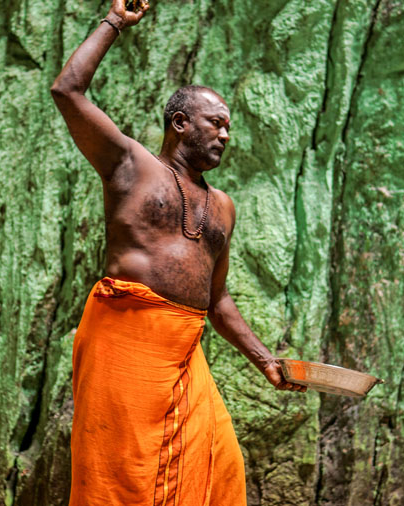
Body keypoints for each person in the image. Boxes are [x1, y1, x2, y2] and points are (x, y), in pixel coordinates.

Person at [50, 1, 307, 504]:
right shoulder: (130, 165)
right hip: (125, 337)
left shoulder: (224, 207)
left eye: (229, 126)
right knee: (121, 475)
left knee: (220, 468)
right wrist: (116, 22)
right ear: (181, 122)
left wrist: (265, 360)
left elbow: (218, 300)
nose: (226, 135)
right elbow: (67, 90)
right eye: (217, 123)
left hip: (185, 354)